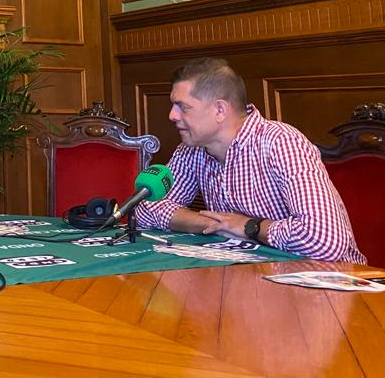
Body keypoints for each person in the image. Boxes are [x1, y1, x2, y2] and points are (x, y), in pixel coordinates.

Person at [134, 58, 364, 263]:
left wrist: (249, 226)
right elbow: (144, 210)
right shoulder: (192, 149)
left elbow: (324, 240)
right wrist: (211, 223)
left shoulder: (281, 142)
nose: (172, 115)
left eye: (183, 107)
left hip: (331, 281)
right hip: (250, 271)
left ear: (220, 110)